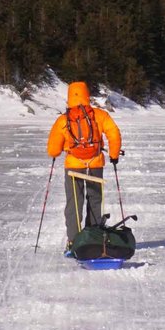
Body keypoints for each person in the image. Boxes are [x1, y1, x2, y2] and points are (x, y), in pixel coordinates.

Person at [46, 79, 123, 251]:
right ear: (87, 95)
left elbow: (53, 149)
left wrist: (56, 153)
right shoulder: (99, 115)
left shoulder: (63, 119)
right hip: (95, 164)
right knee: (95, 201)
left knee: (74, 204)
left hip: (73, 166)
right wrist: (114, 155)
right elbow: (114, 133)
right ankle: (94, 239)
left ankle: (74, 242)